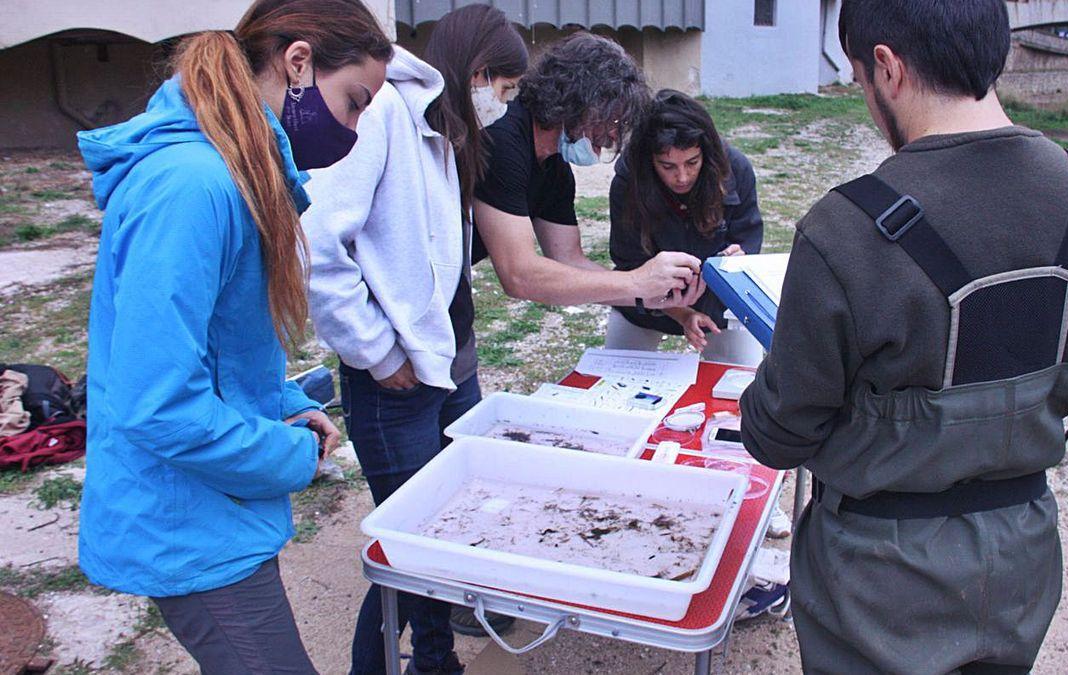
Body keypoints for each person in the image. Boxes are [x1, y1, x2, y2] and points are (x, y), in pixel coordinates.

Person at [739, 1, 1068, 672]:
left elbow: (779, 433)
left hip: (873, 584)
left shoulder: (843, 230)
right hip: (1020, 562)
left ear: (888, 68)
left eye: (860, 80)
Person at [75, 1, 391, 671]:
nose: (355, 130)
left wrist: (277, 402)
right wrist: (291, 456)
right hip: (187, 522)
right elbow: (158, 402)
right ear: (298, 62)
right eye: (354, 102)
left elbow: (212, 348)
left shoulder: (227, 171)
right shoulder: (194, 187)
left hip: (208, 508)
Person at [300, 6, 526, 674]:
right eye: (504, 91)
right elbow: (317, 242)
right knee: (408, 545)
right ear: (478, 73)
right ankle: (389, 665)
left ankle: (435, 661)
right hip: (392, 379)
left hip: (441, 365)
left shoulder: (441, 126)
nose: (504, 107)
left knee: (445, 529)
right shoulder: (384, 113)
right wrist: (377, 350)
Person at [473, 32, 706, 313]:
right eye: (613, 118)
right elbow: (519, 275)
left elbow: (568, 260)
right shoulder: (503, 140)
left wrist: (648, 296)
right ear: (578, 100)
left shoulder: (554, 168)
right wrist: (635, 282)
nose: (612, 135)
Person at [607, 89, 764, 365]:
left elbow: (748, 238)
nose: (682, 177)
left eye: (692, 162)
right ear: (649, 160)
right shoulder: (628, 179)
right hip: (645, 301)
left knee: (741, 388)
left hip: (718, 301)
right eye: (667, 166)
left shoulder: (735, 169)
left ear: (707, 153)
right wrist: (681, 313)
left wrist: (740, 260)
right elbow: (628, 263)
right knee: (616, 379)